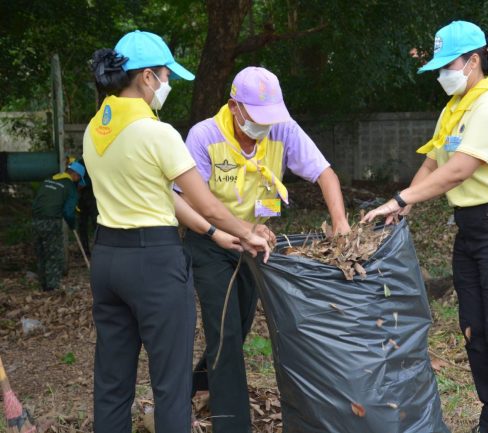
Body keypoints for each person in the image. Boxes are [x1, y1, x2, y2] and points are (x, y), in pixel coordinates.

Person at [83, 31, 271, 433]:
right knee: (170, 383)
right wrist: (244, 231)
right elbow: (205, 200)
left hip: (107, 260)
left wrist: (213, 233)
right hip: (154, 264)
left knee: (112, 382)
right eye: (166, 75)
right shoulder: (157, 134)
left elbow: (162, 194)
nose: (167, 84)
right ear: (147, 78)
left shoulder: (94, 130)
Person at [362, 21, 488, 433]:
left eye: (449, 65)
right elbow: (434, 162)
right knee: (475, 330)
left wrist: (404, 199)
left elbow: (460, 169)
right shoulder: (454, 107)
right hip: (473, 231)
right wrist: (402, 203)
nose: (443, 74)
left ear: (474, 61)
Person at [180, 66, 350, 433]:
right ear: (234, 107)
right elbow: (194, 205)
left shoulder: (282, 129)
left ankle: (193, 387)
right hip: (211, 242)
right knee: (223, 334)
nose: (265, 126)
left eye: (270, 118)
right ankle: (232, 424)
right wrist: (226, 233)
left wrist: (340, 224)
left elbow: (325, 173)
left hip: (254, 243)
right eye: (258, 118)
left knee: (235, 330)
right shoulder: (204, 136)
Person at [32, 160, 86, 291]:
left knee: (41, 253)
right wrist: (72, 225)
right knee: (53, 254)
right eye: (79, 178)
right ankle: (52, 287)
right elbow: (68, 212)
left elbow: (38, 199)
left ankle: (43, 284)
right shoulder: (70, 187)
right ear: (75, 175)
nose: (78, 181)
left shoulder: (49, 180)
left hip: (35, 220)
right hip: (51, 222)